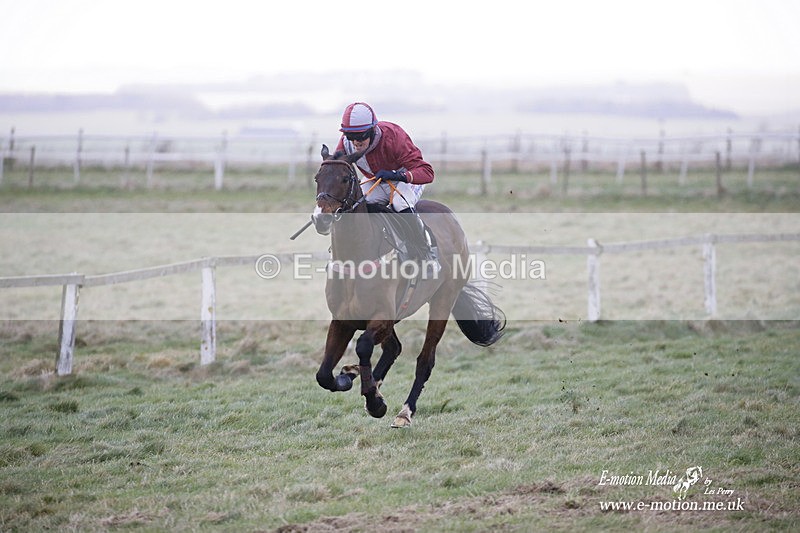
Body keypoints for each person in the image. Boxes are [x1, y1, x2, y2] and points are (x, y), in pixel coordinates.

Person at [335, 102, 438, 273]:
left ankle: (425, 253)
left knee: (400, 204)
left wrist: (397, 175)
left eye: (360, 137)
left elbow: (427, 173)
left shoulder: (394, 136)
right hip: (375, 180)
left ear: (372, 131)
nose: (355, 143)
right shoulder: (346, 142)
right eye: (350, 136)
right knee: (357, 204)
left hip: (405, 179)